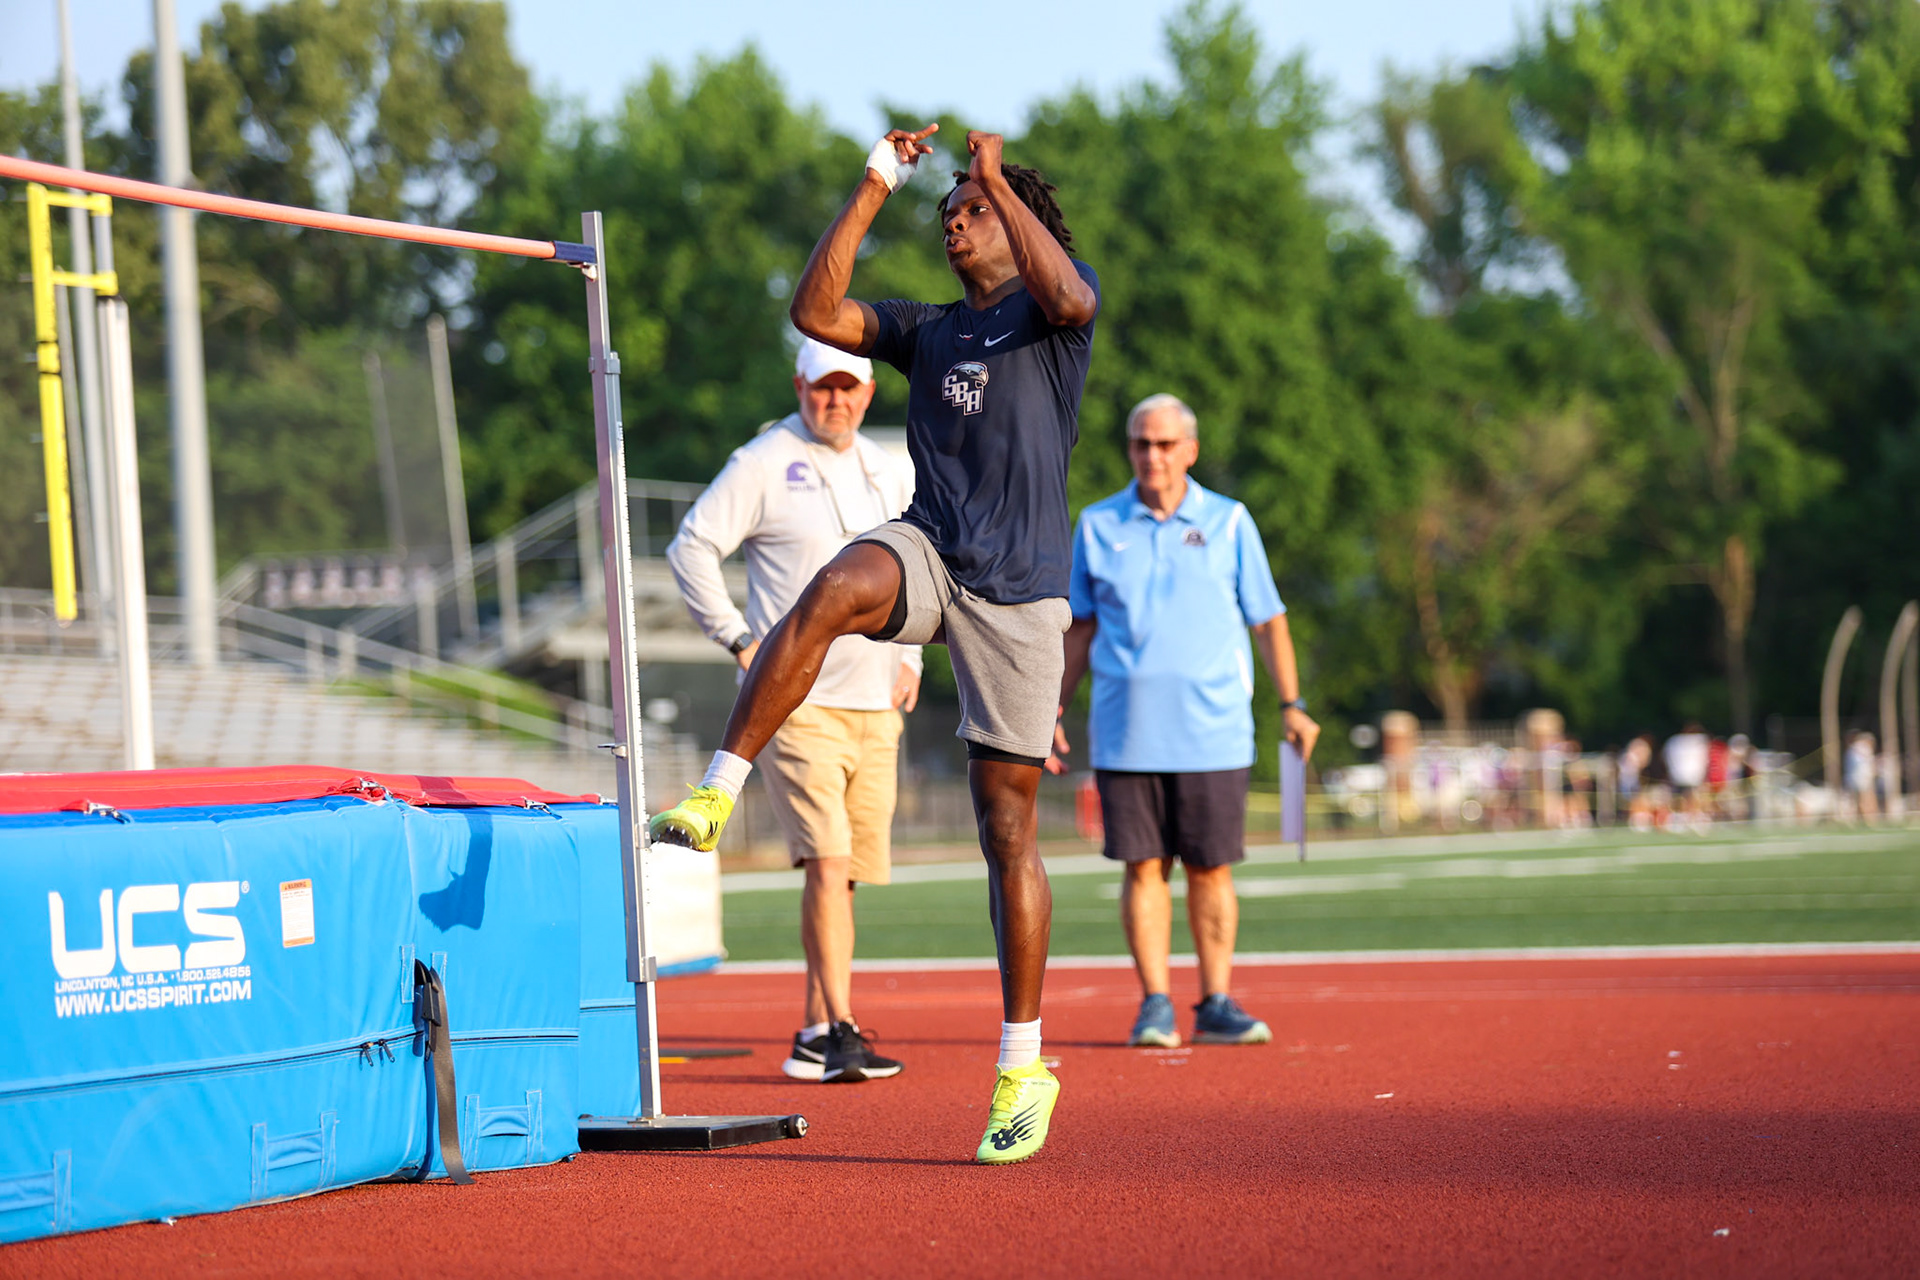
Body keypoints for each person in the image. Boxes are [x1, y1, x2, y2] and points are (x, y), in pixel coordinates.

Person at [648, 123, 1100, 1165]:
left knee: (1006, 830)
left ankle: (1023, 1061)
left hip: (1023, 592)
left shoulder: (1052, 319)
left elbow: (1073, 292)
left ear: (1014, 217)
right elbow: (813, 311)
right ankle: (719, 784)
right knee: (834, 583)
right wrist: (874, 183)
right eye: (946, 216)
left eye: (971, 212)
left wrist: (991, 172)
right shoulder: (928, 330)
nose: (954, 225)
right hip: (932, 551)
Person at [664, 338, 921, 1085]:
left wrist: (912, 656)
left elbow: (922, 561)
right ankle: (835, 1025)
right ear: (799, 385)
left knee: (842, 874)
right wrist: (742, 642)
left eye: (847, 388)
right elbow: (693, 548)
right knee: (828, 857)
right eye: (820, 387)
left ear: (868, 393)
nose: (833, 400)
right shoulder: (765, 459)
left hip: (877, 699)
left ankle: (817, 1027)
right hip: (799, 700)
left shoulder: (888, 463)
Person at [1048, 393, 1319, 1049]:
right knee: (1142, 867)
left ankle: (1218, 1000)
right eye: (1142, 443)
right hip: (1125, 730)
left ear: (1190, 450)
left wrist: (1293, 704)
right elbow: (1079, 626)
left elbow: (1268, 618)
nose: (1153, 456)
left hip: (1214, 729)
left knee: (1209, 868)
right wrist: (1050, 706)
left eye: (1166, 444)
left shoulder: (1229, 522)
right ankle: (1155, 1005)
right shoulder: (1098, 523)